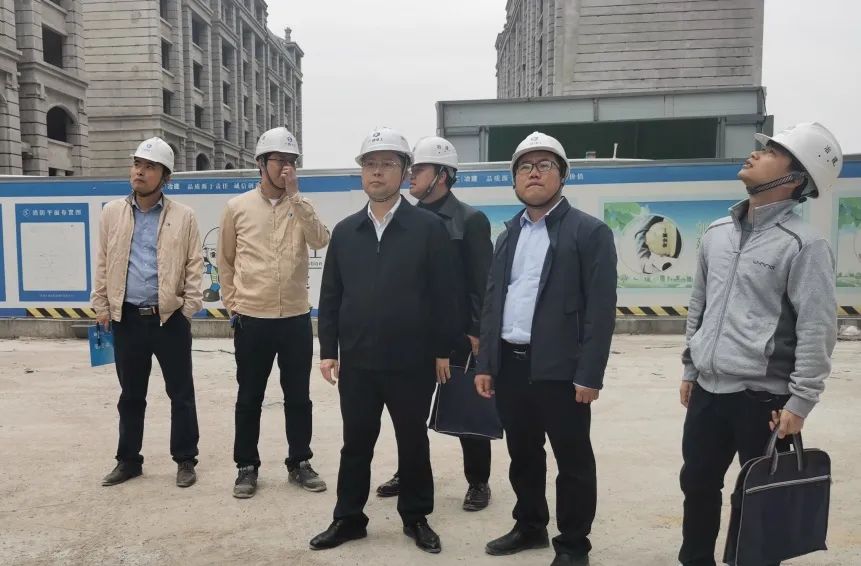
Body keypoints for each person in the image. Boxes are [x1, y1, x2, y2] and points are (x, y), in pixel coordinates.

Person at [678, 122, 842, 566]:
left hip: (764, 400)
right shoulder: (716, 233)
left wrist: (800, 401)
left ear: (795, 177)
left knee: (758, 500)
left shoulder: (805, 245)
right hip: (707, 393)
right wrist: (691, 367)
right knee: (697, 485)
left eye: (771, 152)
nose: (754, 154)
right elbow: (700, 304)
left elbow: (817, 328)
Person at [310, 127, 456, 554]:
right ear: (362, 173)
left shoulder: (428, 228)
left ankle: (416, 517)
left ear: (405, 172)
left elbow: (443, 295)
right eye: (370, 164)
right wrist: (329, 350)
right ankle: (348, 518)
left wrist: (442, 350)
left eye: (388, 164)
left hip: (412, 362)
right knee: (356, 444)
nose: (377, 172)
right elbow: (331, 295)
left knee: (413, 442)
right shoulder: (346, 231)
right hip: (358, 362)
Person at [474, 132, 618, 566]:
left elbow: (600, 311)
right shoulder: (508, 235)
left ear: (563, 175)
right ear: (514, 180)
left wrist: (589, 374)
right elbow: (493, 301)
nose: (533, 173)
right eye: (524, 166)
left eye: (544, 165)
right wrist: (487, 363)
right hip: (512, 365)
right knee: (523, 454)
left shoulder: (588, 232)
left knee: (572, 461)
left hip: (561, 370)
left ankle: (573, 545)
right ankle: (530, 525)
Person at [375, 136, 494, 512]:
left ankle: (478, 481)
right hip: (414, 336)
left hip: (457, 336)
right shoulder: (403, 219)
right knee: (407, 411)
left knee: (467, 407)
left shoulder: (470, 221)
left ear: (442, 175)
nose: (411, 175)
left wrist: (476, 331)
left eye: (420, 169)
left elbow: (482, 283)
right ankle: (409, 472)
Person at [218, 127, 331, 499]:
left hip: (295, 317)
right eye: (279, 160)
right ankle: (246, 467)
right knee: (249, 396)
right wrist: (234, 304)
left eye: (291, 161)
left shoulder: (301, 205)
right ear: (261, 163)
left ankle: (300, 462)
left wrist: (296, 198)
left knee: (298, 396)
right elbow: (226, 261)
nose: (286, 168)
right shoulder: (237, 208)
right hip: (253, 318)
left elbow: (320, 239)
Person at [93, 137, 203, 488]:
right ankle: (128, 461)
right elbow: (103, 260)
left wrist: (187, 309)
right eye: (137, 164)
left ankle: (185, 459)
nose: (139, 171)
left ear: (164, 176)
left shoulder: (183, 216)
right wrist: (102, 305)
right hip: (127, 319)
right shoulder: (112, 212)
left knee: (181, 394)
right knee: (130, 396)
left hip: (168, 319)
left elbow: (194, 264)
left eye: (149, 166)